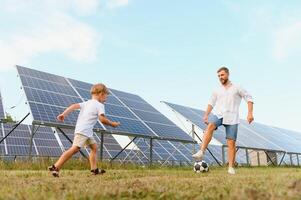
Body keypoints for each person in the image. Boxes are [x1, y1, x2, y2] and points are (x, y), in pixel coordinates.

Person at [49, 83, 120, 177]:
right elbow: (102, 120)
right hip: (84, 130)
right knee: (75, 149)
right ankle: (56, 166)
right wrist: (112, 124)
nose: (105, 100)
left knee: (94, 148)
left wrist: (64, 114)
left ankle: (94, 170)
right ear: (101, 94)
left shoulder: (86, 103)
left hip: (87, 131)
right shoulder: (99, 105)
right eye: (105, 97)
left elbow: (73, 106)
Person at [192, 67, 254, 175]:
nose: (220, 77)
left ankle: (231, 167)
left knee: (231, 143)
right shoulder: (217, 90)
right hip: (219, 114)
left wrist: (250, 113)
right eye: (219, 76)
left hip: (232, 117)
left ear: (228, 74)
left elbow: (249, 98)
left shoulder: (237, 87)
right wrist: (206, 115)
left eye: (222, 75)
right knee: (210, 125)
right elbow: (211, 102)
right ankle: (201, 151)